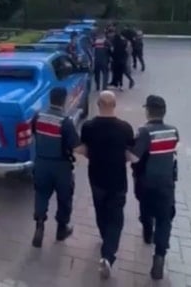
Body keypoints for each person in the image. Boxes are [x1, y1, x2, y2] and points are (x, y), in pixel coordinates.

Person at [75, 91, 135, 279]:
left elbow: (84, 149)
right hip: (117, 180)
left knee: (100, 210)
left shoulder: (88, 127)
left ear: (99, 104)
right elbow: (130, 153)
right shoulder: (125, 128)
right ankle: (108, 255)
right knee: (116, 218)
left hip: (96, 178)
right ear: (114, 105)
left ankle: (105, 238)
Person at [129, 95, 179, 280]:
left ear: (148, 112)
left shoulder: (144, 132)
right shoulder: (173, 131)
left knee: (146, 210)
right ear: (163, 112)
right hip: (167, 183)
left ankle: (147, 232)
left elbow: (134, 158)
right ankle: (159, 256)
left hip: (147, 183)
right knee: (165, 220)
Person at [31, 87, 79, 248]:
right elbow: (75, 145)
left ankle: (39, 225)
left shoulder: (38, 117)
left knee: (41, 194)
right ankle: (61, 229)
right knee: (64, 198)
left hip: (41, 163)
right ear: (64, 100)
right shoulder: (65, 122)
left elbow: (34, 133)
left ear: (50, 98)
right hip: (61, 166)